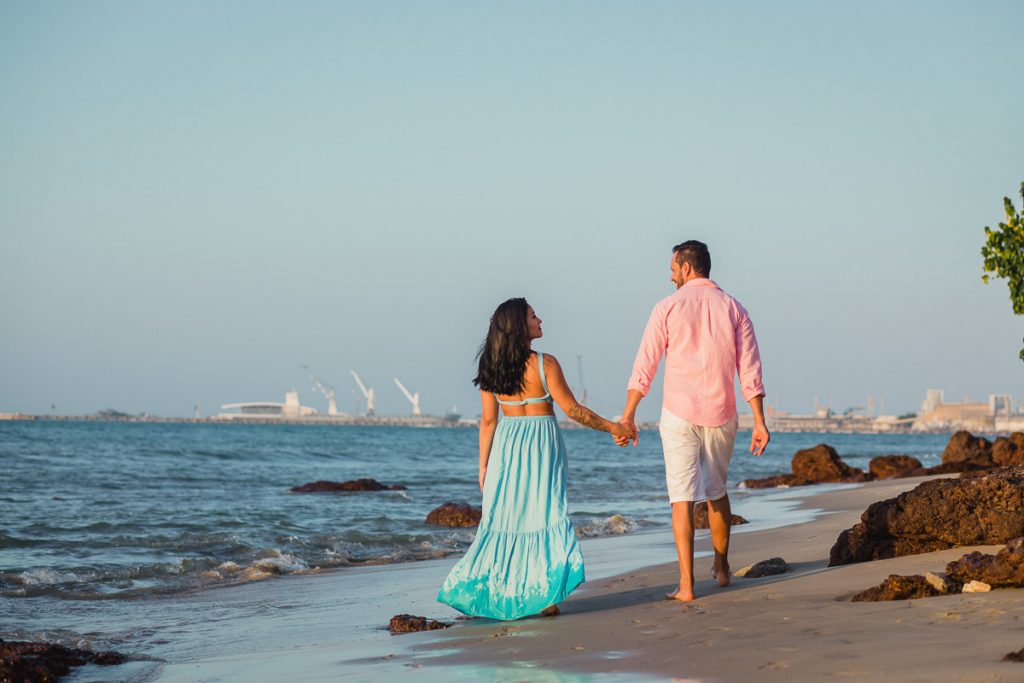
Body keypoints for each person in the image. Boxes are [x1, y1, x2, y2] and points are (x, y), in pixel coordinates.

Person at [438, 297, 635, 620]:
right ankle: (544, 596)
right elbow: (573, 410)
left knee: (506, 521)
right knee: (544, 514)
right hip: (542, 446)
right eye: (533, 316)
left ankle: (502, 591)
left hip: (506, 446)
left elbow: (488, 422)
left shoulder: (491, 366)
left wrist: (484, 465)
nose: (540, 320)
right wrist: (615, 427)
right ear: (519, 326)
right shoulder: (546, 364)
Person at [618, 240, 769, 603]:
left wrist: (628, 415)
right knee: (716, 491)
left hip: (679, 414)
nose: (670, 274)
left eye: (673, 268)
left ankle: (686, 585)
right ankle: (720, 567)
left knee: (681, 499)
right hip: (722, 414)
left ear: (686, 267)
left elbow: (646, 365)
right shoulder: (735, 308)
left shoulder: (667, 307)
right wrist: (759, 421)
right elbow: (749, 369)